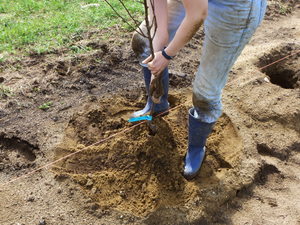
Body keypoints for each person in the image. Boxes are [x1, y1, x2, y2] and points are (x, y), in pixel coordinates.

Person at [131, 0, 267, 179]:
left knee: (205, 92)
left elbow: (197, 14)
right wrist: (160, 33)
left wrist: (165, 55)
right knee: (144, 42)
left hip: (234, 7)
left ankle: (196, 148)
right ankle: (157, 104)